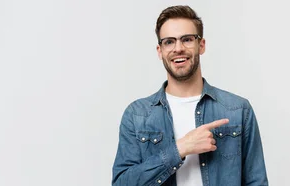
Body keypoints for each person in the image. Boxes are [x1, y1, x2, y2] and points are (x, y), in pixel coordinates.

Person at [111, 5, 268, 186]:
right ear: (159, 50)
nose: (178, 48)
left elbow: (257, 182)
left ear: (201, 45)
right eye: (169, 41)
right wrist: (179, 149)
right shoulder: (137, 115)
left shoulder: (238, 110)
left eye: (187, 39)